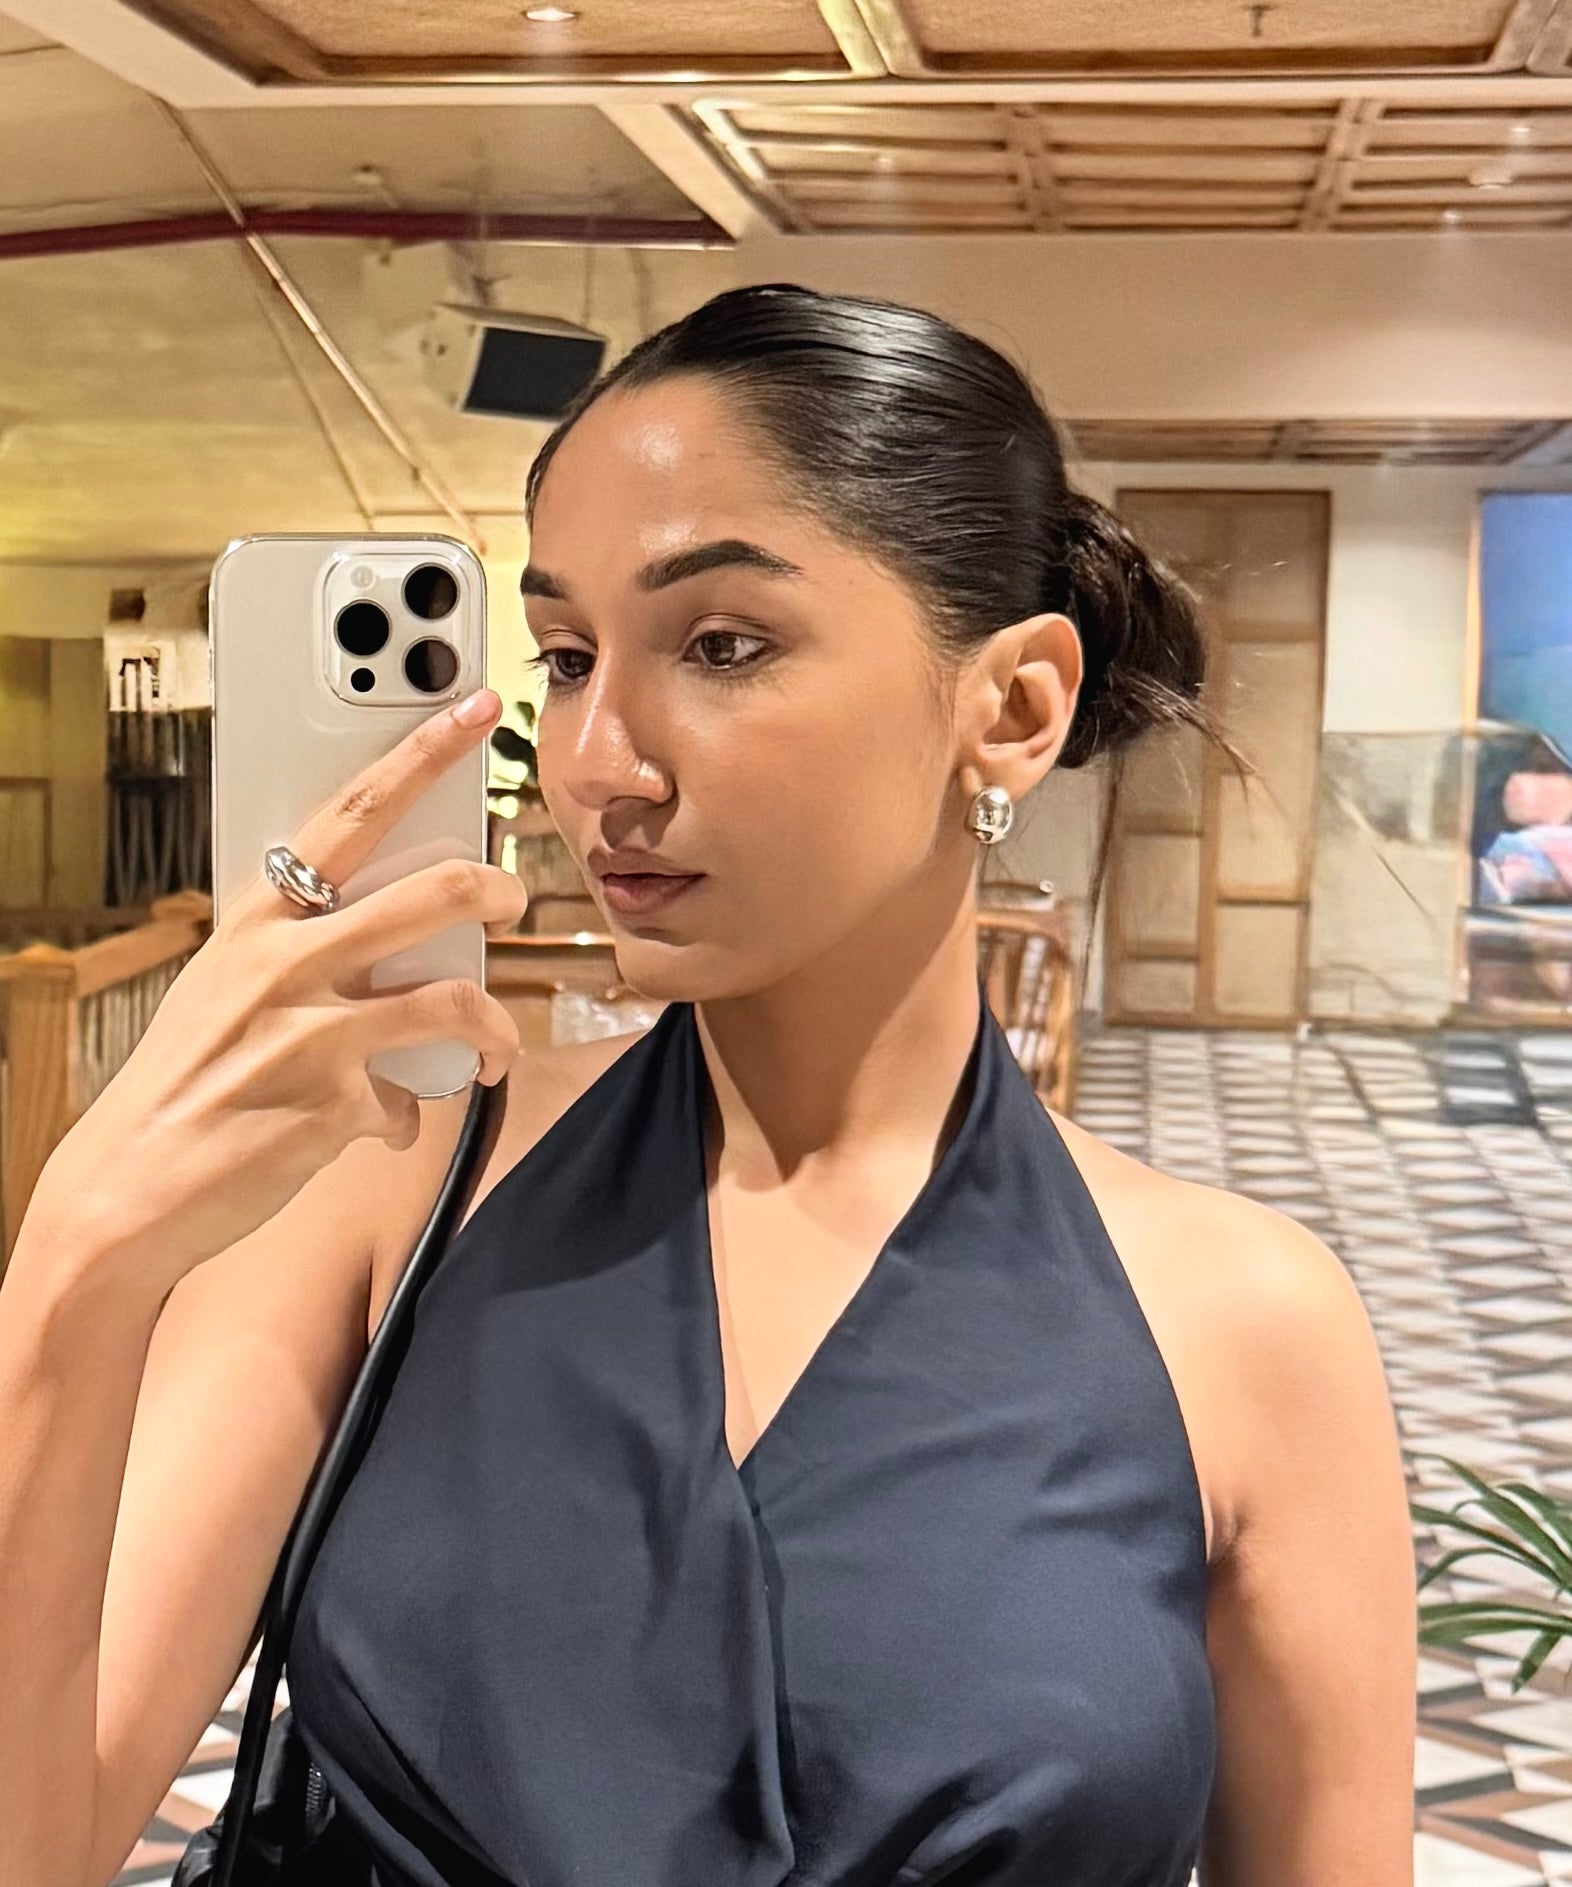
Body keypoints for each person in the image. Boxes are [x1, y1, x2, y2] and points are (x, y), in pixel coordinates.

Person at [0, 282, 1416, 1886]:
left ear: (1014, 707)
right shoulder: (393, 1184)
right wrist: (80, 1260)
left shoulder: (1246, 1331)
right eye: (567, 657)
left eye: (723, 645)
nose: (595, 761)